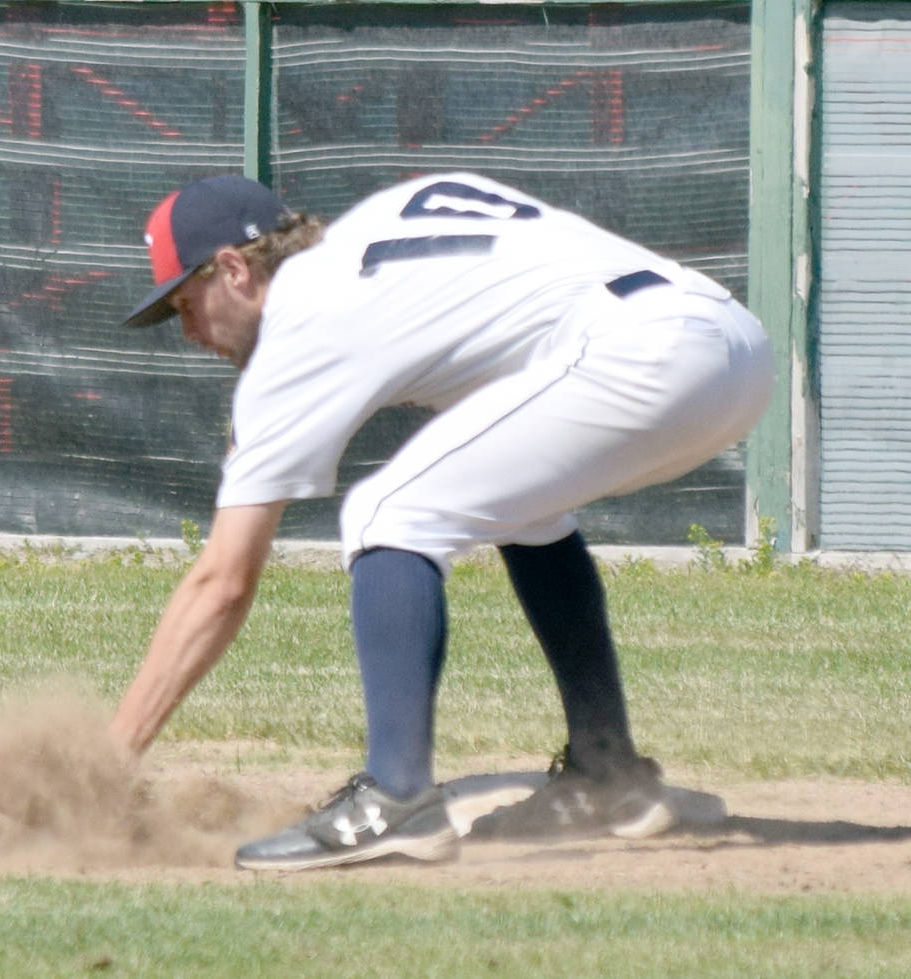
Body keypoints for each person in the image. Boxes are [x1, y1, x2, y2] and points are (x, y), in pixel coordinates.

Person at [106, 171, 772, 871]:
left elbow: (222, 582)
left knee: (388, 512)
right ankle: (606, 774)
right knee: (523, 509)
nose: (187, 331)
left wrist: (108, 760)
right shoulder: (382, 234)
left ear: (236, 270)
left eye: (186, 302)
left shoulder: (302, 315)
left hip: (644, 350)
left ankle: (395, 797)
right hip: (727, 341)